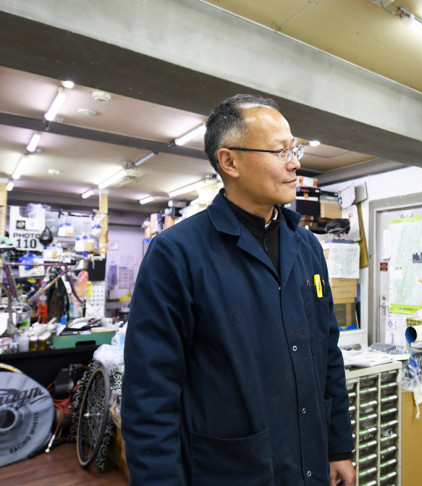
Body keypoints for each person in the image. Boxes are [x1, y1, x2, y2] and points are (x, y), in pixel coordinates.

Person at [121, 94, 355, 486]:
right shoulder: (176, 254)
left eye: (293, 149)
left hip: (309, 462)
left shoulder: (307, 246)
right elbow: (150, 394)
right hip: (228, 470)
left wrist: (338, 447)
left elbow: (327, 353)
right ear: (229, 162)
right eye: (280, 151)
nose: (295, 162)